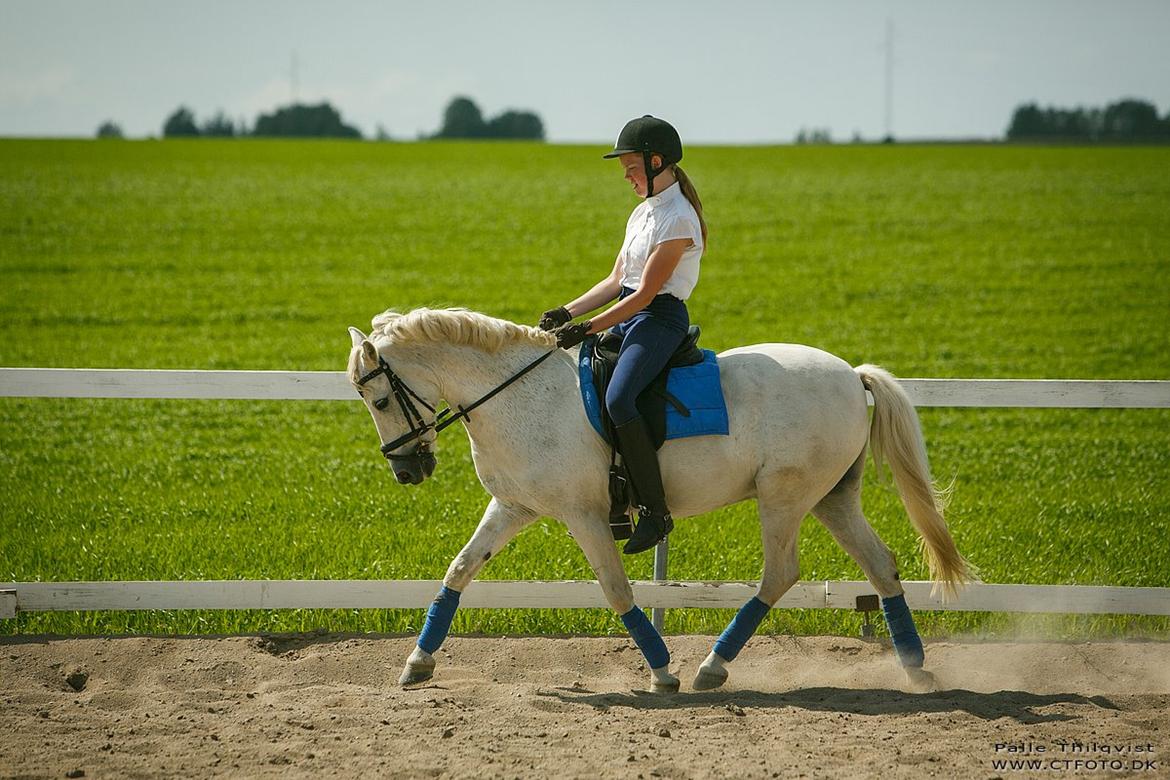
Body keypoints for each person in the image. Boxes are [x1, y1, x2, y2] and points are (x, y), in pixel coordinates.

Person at [538, 115, 708, 555]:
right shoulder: (642, 212)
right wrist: (566, 311)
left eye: (632, 168)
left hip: (658, 319)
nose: (628, 177)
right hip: (629, 311)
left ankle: (655, 511)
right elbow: (618, 279)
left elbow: (647, 293)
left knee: (619, 399)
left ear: (656, 162)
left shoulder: (678, 219)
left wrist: (588, 327)